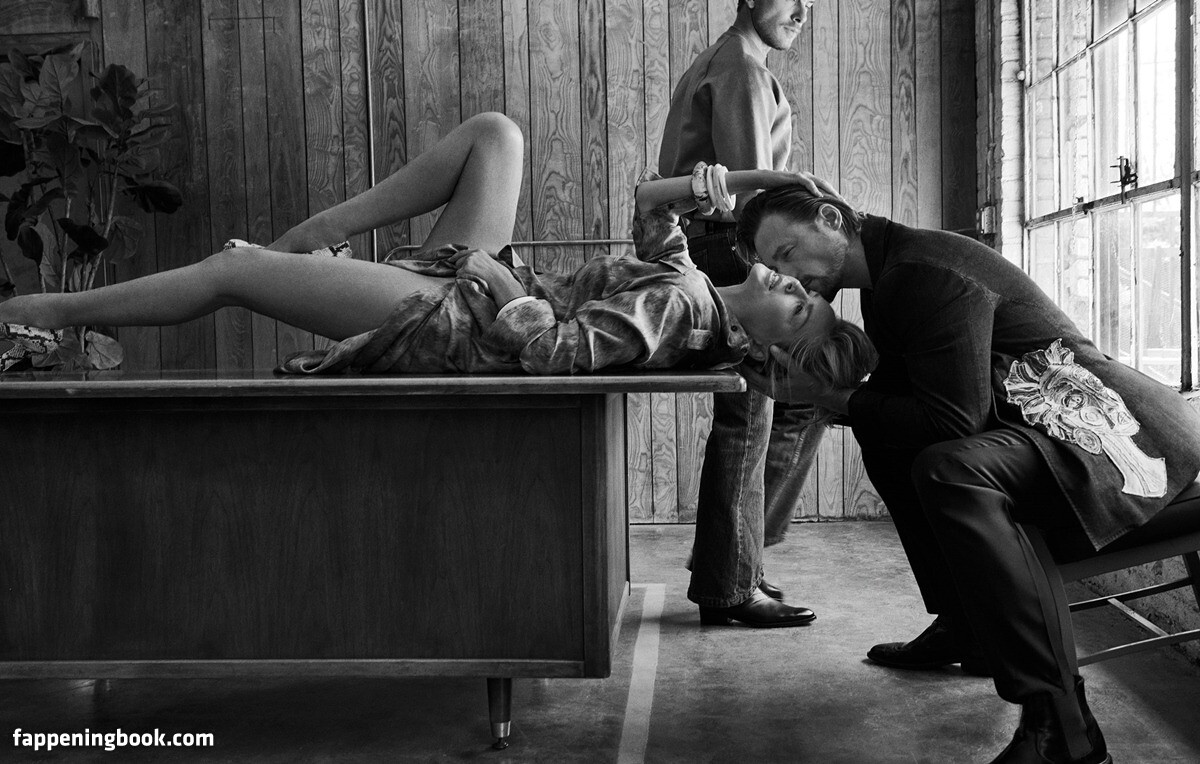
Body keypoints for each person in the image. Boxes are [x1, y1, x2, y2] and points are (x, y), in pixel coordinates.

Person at [734, 184, 1200, 763]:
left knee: (949, 469)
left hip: (1115, 430)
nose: (788, 275)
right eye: (774, 265)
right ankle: (968, 625)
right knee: (889, 440)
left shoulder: (921, 272)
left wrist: (833, 397)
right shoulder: (887, 278)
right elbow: (921, 408)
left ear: (830, 219)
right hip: (1045, 424)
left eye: (786, 252)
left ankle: (1062, 727)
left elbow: (952, 422)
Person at [0, 114, 873, 404]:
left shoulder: (679, 312)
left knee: (231, 276)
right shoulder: (695, 289)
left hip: (459, 325)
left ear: (768, 351)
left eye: (797, 306)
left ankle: (44, 315)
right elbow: (650, 202)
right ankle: (309, 240)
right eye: (804, 285)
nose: (786, 282)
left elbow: (554, 353)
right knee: (497, 136)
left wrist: (494, 281)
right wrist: (754, 179)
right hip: (482, 288)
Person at [658, 0, 825, 628]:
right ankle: (729, 580)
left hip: (713, 245)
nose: (802, 11)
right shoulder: (742, 71)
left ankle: (734, 561)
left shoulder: (728, 61)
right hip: (728, 248)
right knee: (752, 415)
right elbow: (755, 199)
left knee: (780, 404)